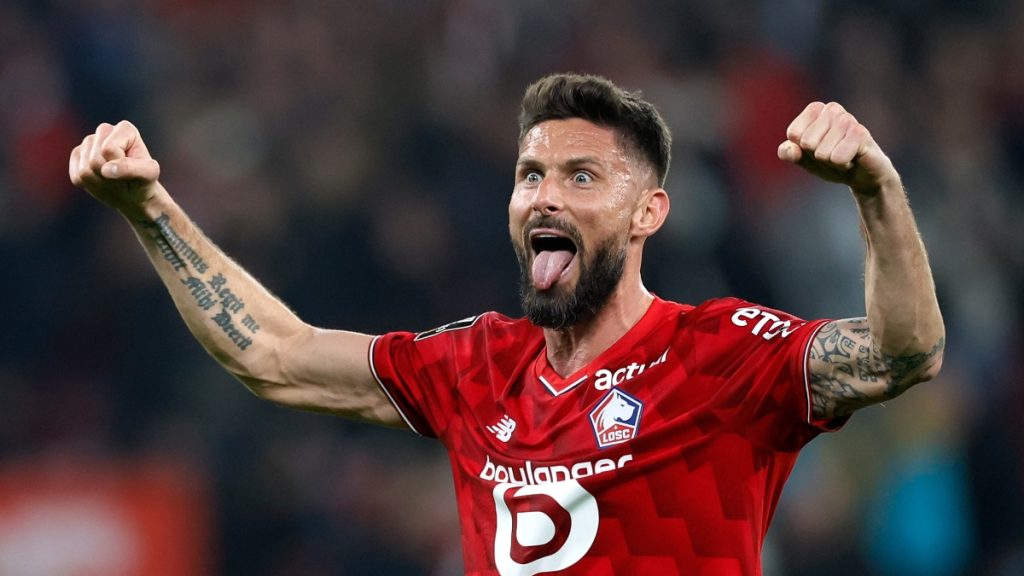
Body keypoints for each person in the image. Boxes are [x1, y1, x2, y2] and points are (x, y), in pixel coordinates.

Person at [69, 73, 944, 575]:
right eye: (531, 175)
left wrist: (875, 190)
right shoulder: (476, 364)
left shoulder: (720, 352)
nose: (544, 197)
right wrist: (150, 209)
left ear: (648, 213)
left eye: (581, 176)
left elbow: (904, 355)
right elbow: (276, 354)